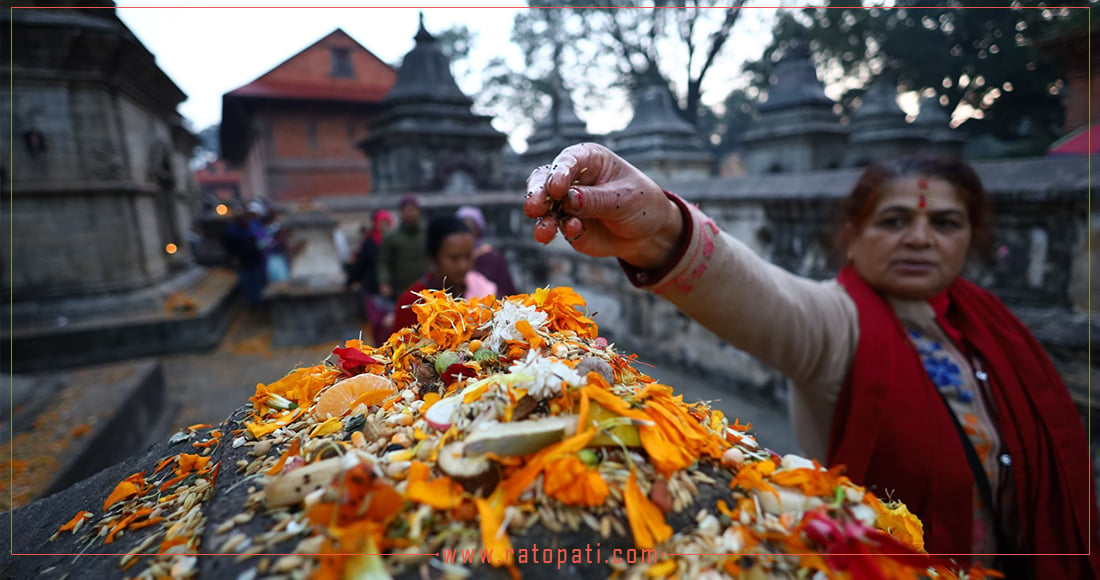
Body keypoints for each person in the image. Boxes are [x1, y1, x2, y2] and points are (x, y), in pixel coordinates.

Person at [524, 143, 1099, 578]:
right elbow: (761, 295)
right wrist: (662, 230)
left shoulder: (994, 328)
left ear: (972, 237)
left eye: (945, 223)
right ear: (852, 237)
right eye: (895, 220)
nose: (921, 238)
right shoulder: (837, 324)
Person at [390, 215, 497, 334]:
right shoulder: (414, 303)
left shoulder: (482, 290)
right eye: (454, 258)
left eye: (468, 256)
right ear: (434, 258)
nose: (463, 266)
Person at [346, 210, 395, 344]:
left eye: (387, 223)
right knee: (378, 325)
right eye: (381, 223)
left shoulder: (395, 241)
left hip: (393, 290)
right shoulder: (370, 242)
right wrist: (350, 281)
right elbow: (361, 264)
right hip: (373, 290)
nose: (384, 226)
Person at [456, 205, 518, 296]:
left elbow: (508, 291)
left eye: (469, 230)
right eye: (460, 230)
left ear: (478, 231)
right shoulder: (451, 261)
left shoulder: (492, 258)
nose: (465, 236)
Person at [378, 195, 429, 301]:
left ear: (418, 211)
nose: (410, 213)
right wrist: (385, 282)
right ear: (401, 213)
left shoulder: (427, 233)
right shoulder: (391, 236)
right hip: (402, 289)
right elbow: (384, 261)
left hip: (427, 288)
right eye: (407, 210)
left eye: (413, 210)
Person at [221, 202, 267, 307]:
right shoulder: (231, 231)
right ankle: (253, 304)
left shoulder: (254, 226)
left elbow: (262, 240)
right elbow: (228, 247)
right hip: (243, 262)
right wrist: (233, 258)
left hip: (257, 259)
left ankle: (262, 303)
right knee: (248, 284)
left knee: (260, 281)